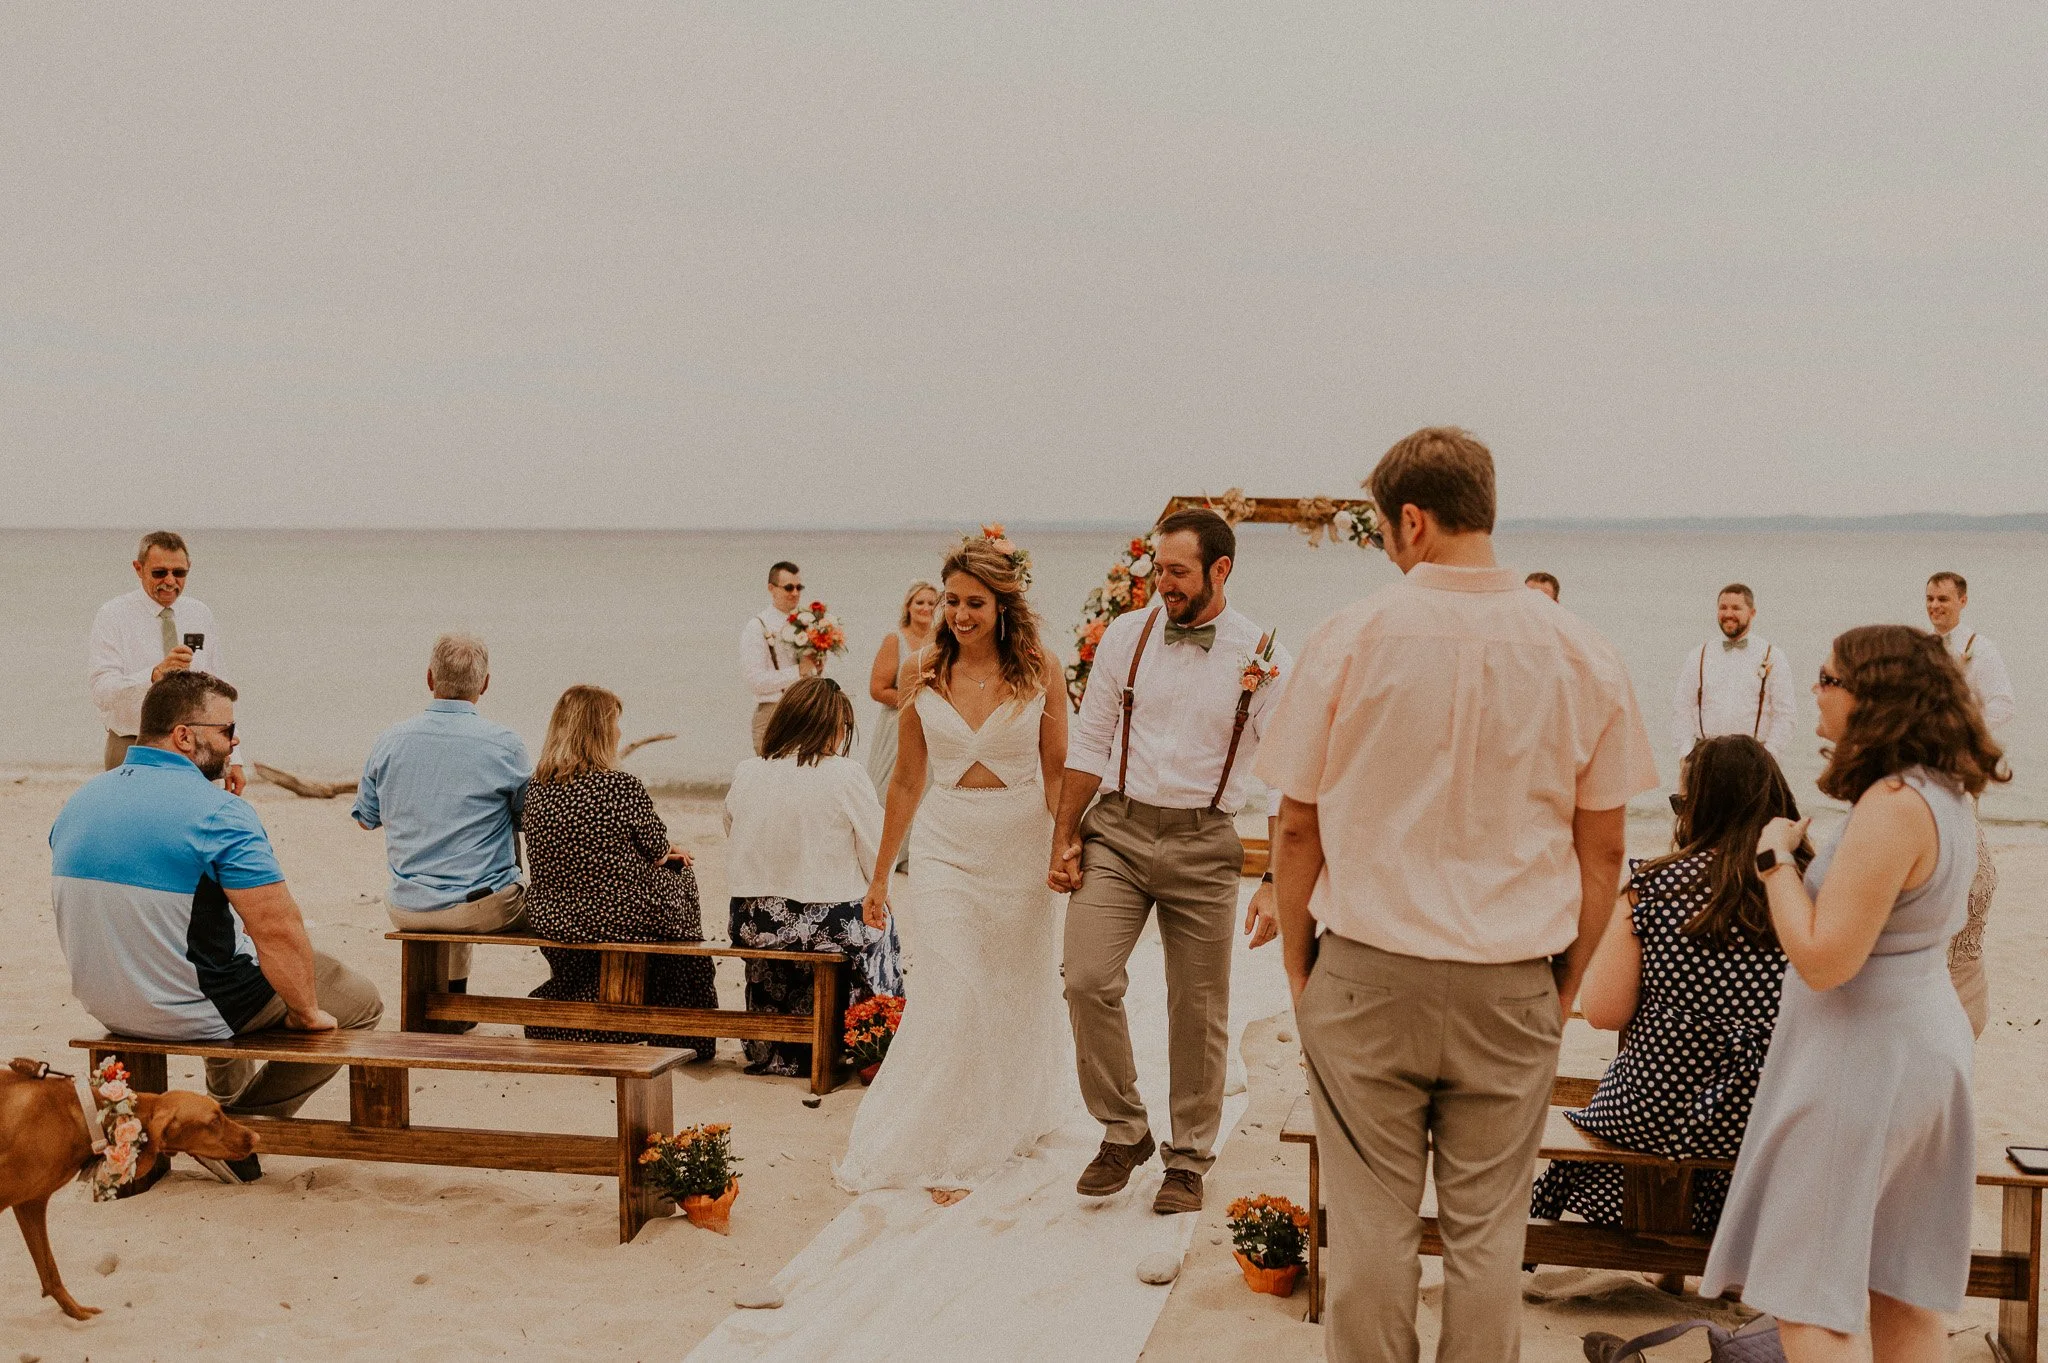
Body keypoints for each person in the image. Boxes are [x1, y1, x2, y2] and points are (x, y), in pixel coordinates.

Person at [1256, 427, 1658, 1363]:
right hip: (1512, 975)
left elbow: (1296, 827)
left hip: (1366, 973)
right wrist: (1561, 980)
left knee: (1368, 1235)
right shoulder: (1581, 649)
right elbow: (1604, 847)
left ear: (1411, 519)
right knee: (1488, 1238)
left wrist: (1301, 964)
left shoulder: (1349, 636)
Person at [1703, 625, 2006, 1363]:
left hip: (1863, 1060)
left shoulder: (1894, 801)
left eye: (1827, 678)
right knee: (1901, 1289)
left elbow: (1823, 959)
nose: (1815, 688)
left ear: (1872, 696)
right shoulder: (1946, 794)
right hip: (1921, 1047)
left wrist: (1773, 860)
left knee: (1811, 1296)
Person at [49, 672, 383, 1181]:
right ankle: (231, 1133)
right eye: (226, 730)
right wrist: (306, 1011)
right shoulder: (219, 813)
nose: (236, 740)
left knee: (214, 942)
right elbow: (276, 928)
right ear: (184, 736)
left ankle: (219, 1108)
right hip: (183, 1004)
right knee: (358, 1003)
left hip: (104, 995)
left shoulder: (81, 801)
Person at [1050, 507, 1290, 1217]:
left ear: (1221, 569)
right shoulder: (1127, 636)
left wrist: (1275, 879)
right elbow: (1090, 740)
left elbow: (1284, 775)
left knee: (1199, 1006)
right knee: (1087, 978)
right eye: (1159, 569)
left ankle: (1187, 1160)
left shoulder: (1264, 656)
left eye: (1178, 571)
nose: (1164, 584)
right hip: (1117, 831)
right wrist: (1065, 834)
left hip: (1206, 841)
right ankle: (1125, 1130)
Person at [840, 535, 1074, 1203]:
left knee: (1010, 986)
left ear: (1003, 605)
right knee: (957, 982)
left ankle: (1002, 1117)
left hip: (1019, 840)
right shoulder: (920, 669)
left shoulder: (1040, 667)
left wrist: (1065, 843)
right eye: (952, 600)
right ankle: (951, 1143)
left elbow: (1057, 772)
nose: (961, 613)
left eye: (976, 602)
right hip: (945, 844)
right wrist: (880, 874)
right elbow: (908, 780)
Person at [1530, 735, 1801, 1239]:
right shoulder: (1801, 886)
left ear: (1702, 808)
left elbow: (1604, 1012)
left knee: (1616, 1123)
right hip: (1775, 1108)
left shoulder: (1655, 887)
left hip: (1657, 1106)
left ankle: (1656, 1240)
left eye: (1681, 801)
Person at [520, 685, 716, 1056]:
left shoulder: (537, 788)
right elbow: (658, 850)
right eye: (615, 724)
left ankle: (588, 1007)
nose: (621, 732)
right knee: (682, 877)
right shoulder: (620, 786)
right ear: (600, 731)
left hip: (552, 915)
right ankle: (683, 1025)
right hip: (612, 915)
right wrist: (671, 854)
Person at [725, 677, 904, 1077]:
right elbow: (877, 853)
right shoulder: (846, 774)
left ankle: (781, 1049)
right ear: (834, 727)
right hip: (826, 920)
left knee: (798, 944)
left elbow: (732, 830)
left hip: (754, 919)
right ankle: (872, 1043)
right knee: (880, 928)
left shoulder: (748, 770)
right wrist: (876, 889)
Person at [352, 634, 531, 1012]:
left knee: (464, 870)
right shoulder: (505, 744)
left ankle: (452, 1003)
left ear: (430, 679)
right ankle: (571, 1000)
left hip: (406, 906)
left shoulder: (390, 740)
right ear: (484, 685)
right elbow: (527, 818)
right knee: (526, 895)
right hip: (480, 908)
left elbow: (367, 820)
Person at [88, 531, 249, 793]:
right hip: (134, 744)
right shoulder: (113, 615)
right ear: (138, 569)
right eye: (159, 573)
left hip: (196, 745)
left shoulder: (199, 613)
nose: (170, 581)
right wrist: (154, 675)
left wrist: (235, 758)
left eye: (179, 573)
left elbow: (219, 691)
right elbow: (101, 692)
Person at [1926, 570, 2014, 1037]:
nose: (1935, 606)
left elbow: (2003, 705)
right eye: (1929, 599)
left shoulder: (1983, 649)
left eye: (1942, 598)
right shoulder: (1921, 649)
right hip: (1924, 769)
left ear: (1962, 600)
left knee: (1967, 863)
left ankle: (1959, 953)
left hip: (1960, 772)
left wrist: (1965, 736)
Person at [1671, 584, 1796, 763]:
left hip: (1753, 760)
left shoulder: (1772, 656)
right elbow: (1681, 708)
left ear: (1752, 613)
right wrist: (1686, 752)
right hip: (1705, 758)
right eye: (1723, 608)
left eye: (1736, 608)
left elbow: (1785, 714)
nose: (1728, 614)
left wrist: (1769, 754)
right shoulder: (1699, 655)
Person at [865, 580, 940, 872]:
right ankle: (881, 852)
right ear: (908, 606)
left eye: (931, 603)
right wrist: (914, 699)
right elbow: (877, 689)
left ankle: (911, 854)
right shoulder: (895, 640)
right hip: (897, 724)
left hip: (930, 726)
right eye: (919, 602)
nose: (925, 608)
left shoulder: (942, 642)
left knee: (926, 787)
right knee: (888, 785)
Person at [742, 560, 824, 756]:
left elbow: (810, 673)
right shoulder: (757, 626)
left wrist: (816, 668)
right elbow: (756, 682)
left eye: (799, 587)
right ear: (772, 588)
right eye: (788, 587)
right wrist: (799, 671)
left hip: (806, 713)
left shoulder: (808, 623)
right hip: (773, 714)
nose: (795, 593)